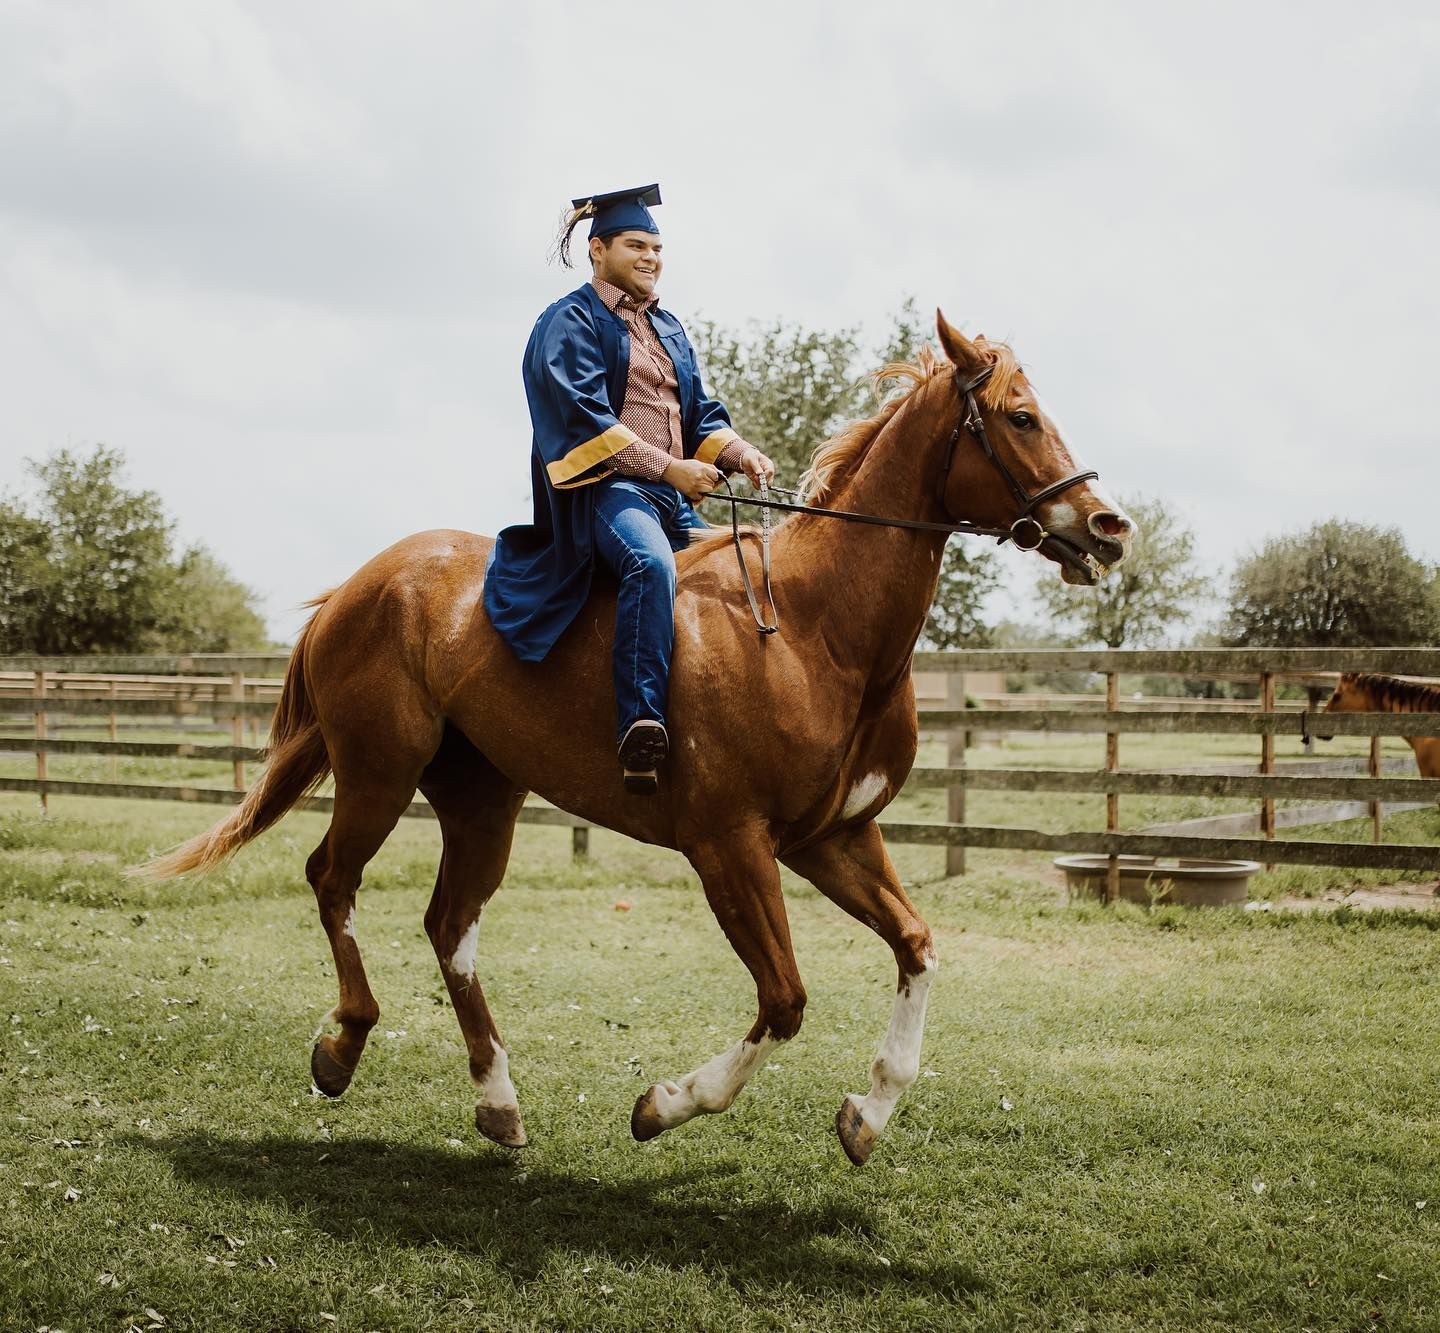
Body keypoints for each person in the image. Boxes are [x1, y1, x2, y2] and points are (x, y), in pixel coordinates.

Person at [484, 184, 775, 795]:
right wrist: (670, 470)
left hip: (670, 499)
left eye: (657, 247)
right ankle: (639, 722)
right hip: (608, 495)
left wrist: (740, 451)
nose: (651, 257)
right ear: (597, 250)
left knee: (754, 555)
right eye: (636, 245)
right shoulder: (568, 322)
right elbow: (582, 419)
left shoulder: (666, 327)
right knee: (650, 564)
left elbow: (699, 415)